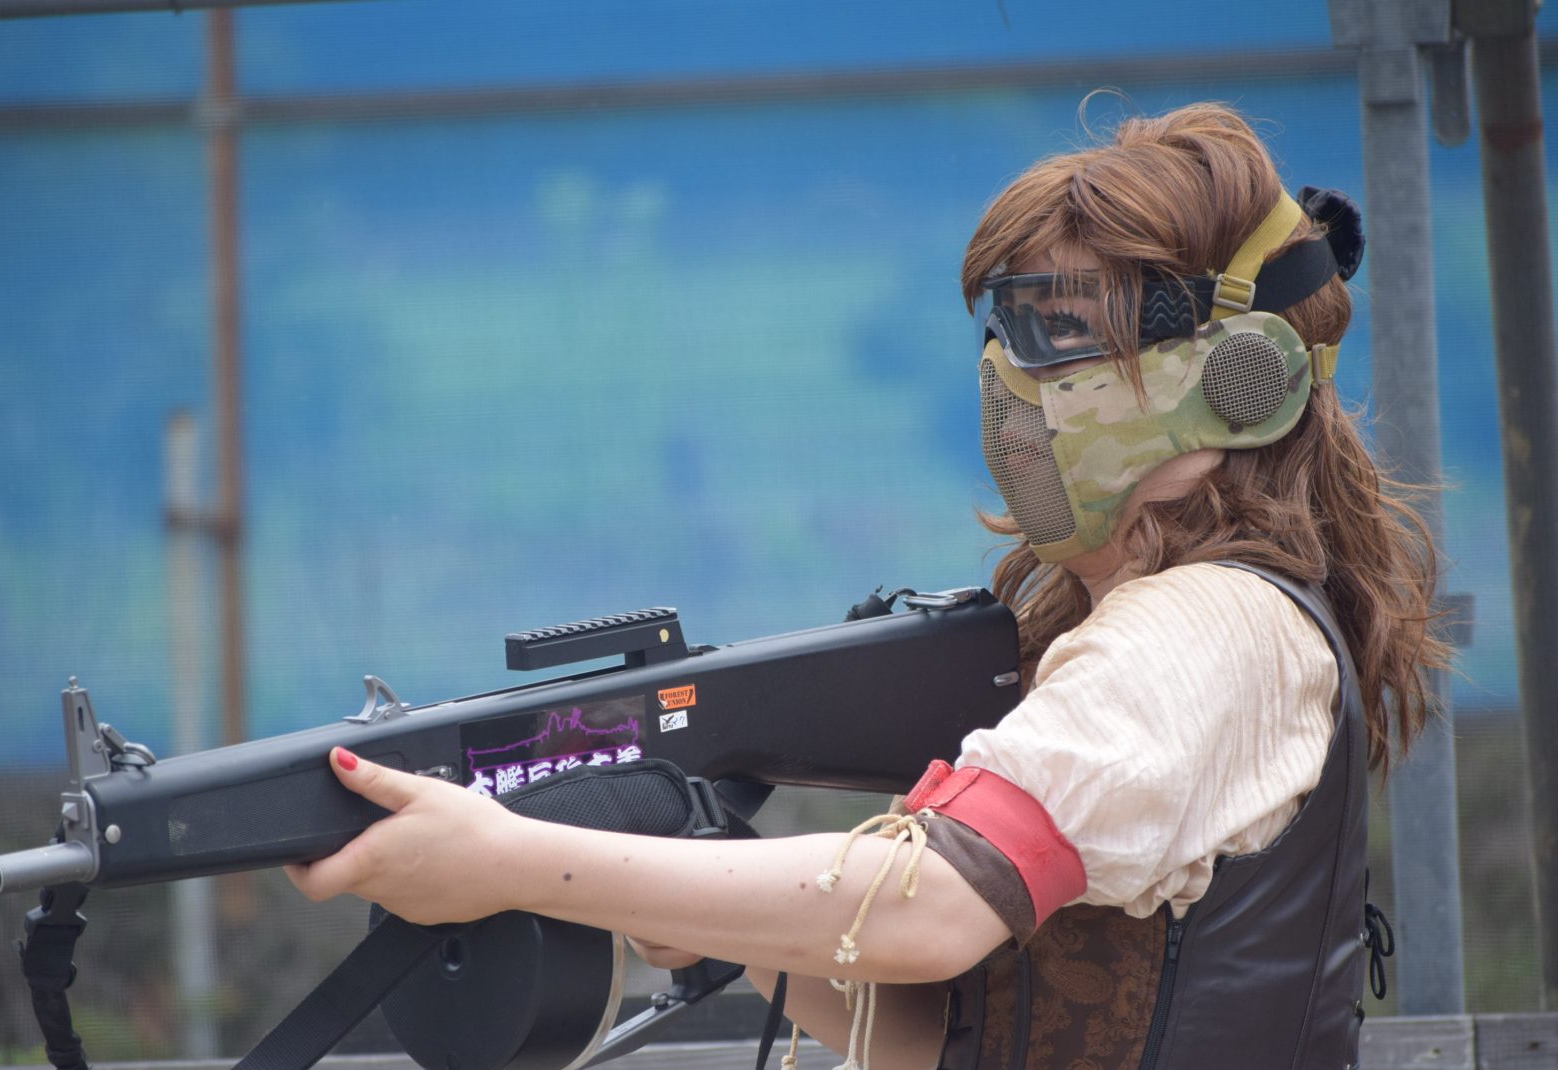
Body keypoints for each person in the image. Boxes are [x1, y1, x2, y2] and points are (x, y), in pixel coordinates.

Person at [285, 103, 1448, 1069]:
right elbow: (940, 1033)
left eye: (1062, 331)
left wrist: (503, 858)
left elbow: (927, 906)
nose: (1011, 375)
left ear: (1241, 379)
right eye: (1008, 326)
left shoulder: (1206, 624)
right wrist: (682, 885)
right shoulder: (1164, 621)